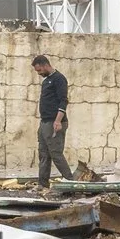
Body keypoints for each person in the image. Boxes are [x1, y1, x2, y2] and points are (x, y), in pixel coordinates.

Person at [33, 52, 73, 188]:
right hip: (45, 122)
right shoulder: (46, 81)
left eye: (39, 70)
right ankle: (43, 183)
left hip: (54, 122)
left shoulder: (59, 79)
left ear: (45, 65)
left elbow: (63, 101)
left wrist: (57, 121)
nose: (38, 73)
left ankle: (72, 182)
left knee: (56, 153)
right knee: (43, 154)